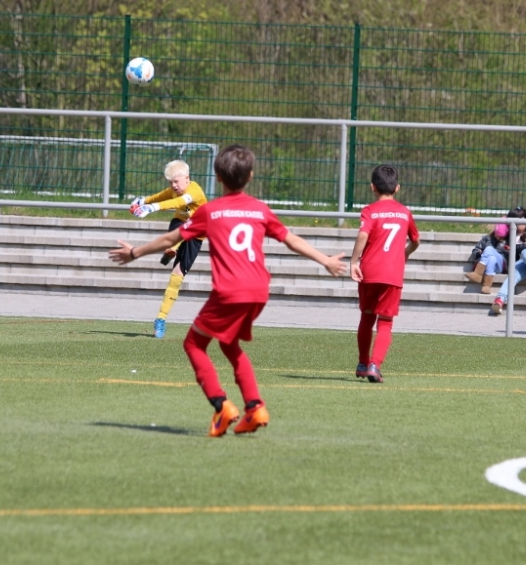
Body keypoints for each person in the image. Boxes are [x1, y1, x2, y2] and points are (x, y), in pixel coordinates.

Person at [110, 145, 347, 436]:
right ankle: (255, 407)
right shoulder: (259, 209)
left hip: (230, 291)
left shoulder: (210, 211)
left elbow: (171, 237)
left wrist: (135, 252)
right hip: (258, 291)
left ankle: (222, 406)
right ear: (251, 176)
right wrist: (325, 260)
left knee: (194, 344)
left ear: (218, 177)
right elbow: (290, 239)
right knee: (229, 344)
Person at [349, 165, 420, 383]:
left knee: (366, 317)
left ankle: (363, 363)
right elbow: (416, 240)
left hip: (369, 271)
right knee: (386, 322)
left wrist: (353, 261)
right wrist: (405, 254)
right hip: (392, 273)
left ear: (372, 187)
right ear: (397, 188)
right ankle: (375, 365)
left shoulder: (370, 211)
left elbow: (363, 234)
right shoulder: (405, 212)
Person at [128, 160, 207, 339]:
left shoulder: (195, 191)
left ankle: (161, 317)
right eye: (171, 182)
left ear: (187, 178)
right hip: (180, 225)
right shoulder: (173, 189)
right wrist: (142, 201)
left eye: (176, 182)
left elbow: (178, 202)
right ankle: (173, 247)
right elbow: (161, 196)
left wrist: (151, 208)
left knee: (177, 277)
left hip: (197, 234)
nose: (173, 186)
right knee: (180, 225)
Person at [464, 223, 509, 294]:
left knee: (488, 249)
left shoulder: (508, 241)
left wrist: (508, 250)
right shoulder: (487, 238)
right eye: (498, 235)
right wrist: (478, 254)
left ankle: (478, 273)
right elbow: (476, 249)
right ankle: (487, 286)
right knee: (492, 259)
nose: (499, 238)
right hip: (487, 265)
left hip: (500, 265)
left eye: (501, 237)